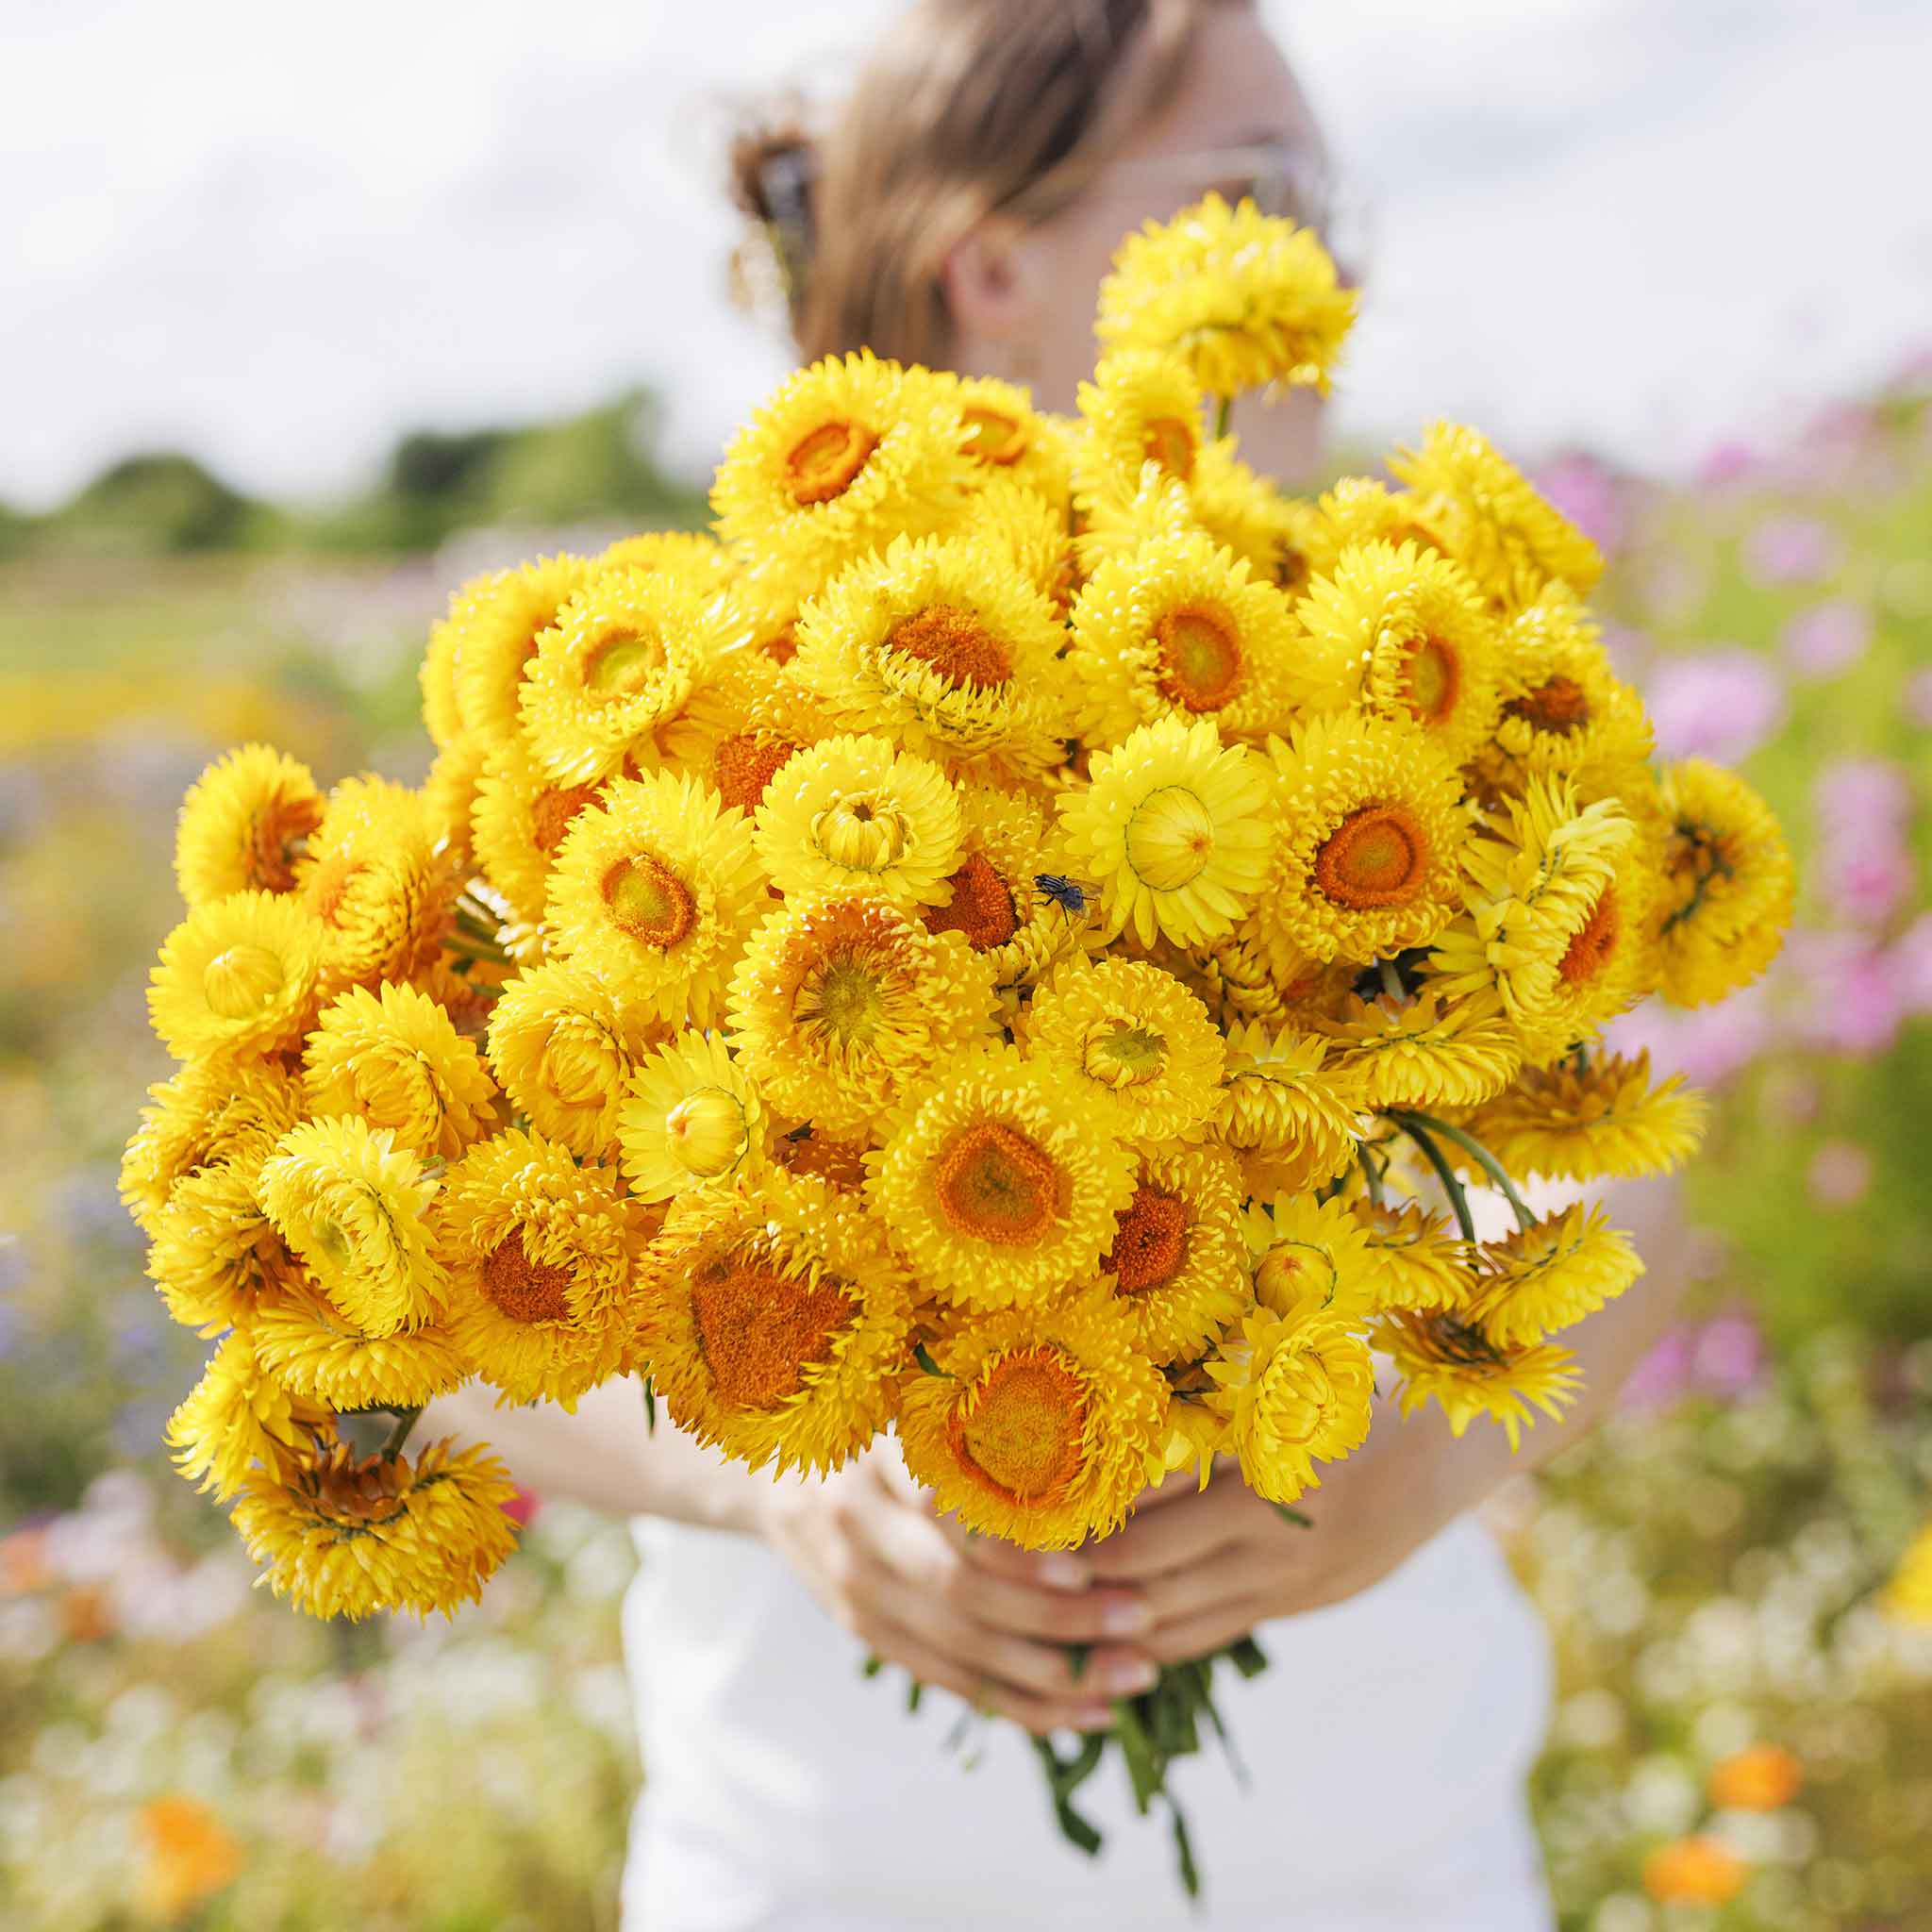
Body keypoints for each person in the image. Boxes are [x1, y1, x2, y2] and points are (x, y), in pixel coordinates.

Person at [426, 4, 1696, 1924]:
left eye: (1327, 199)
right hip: (825, 1878)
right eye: (1260, 189)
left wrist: (1417, 1468)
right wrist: (767, 1481)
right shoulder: (656, 721)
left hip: (1378, 1866)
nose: (1332, 262)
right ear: (997, 260)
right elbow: (439, 1290)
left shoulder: (1435, 689)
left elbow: (1659, 1177)